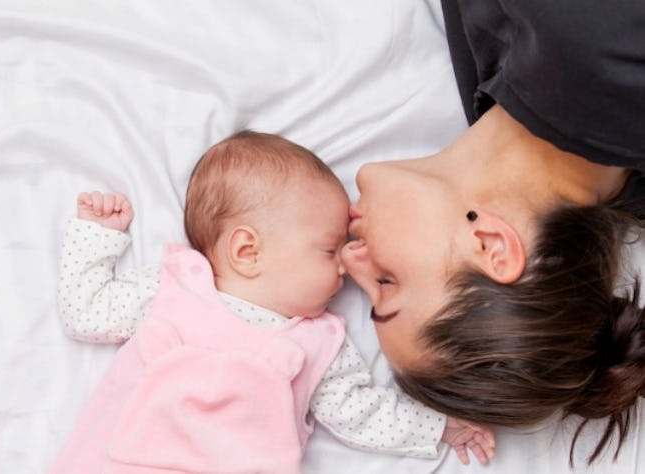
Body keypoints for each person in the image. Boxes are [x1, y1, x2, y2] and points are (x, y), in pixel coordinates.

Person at [50, 131, 494, 473]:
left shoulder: (321, 341)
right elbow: (88, 313)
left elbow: (363, 414)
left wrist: (440, 426)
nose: (343, 267)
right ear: (248, 251)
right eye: (328, 249)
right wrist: (97, 235)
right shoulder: (176, 286)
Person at [340, 0, 645, 466]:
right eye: (386, 282)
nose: (349, 260)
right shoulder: (595, 51)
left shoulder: (507, 90)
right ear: (490, 246)